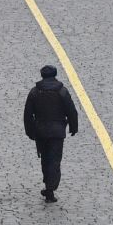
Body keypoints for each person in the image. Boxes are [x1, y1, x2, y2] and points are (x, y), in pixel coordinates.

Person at [22, 64, 79, 202]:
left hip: (40, 131)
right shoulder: (62, 91)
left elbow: (28, 114)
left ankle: (48, 184)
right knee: (54, 160)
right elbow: (71, 111)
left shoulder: (34, 92)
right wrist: (73, 126)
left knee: (45, 158)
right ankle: (50, 188)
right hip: (57, 131)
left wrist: (30, 131)